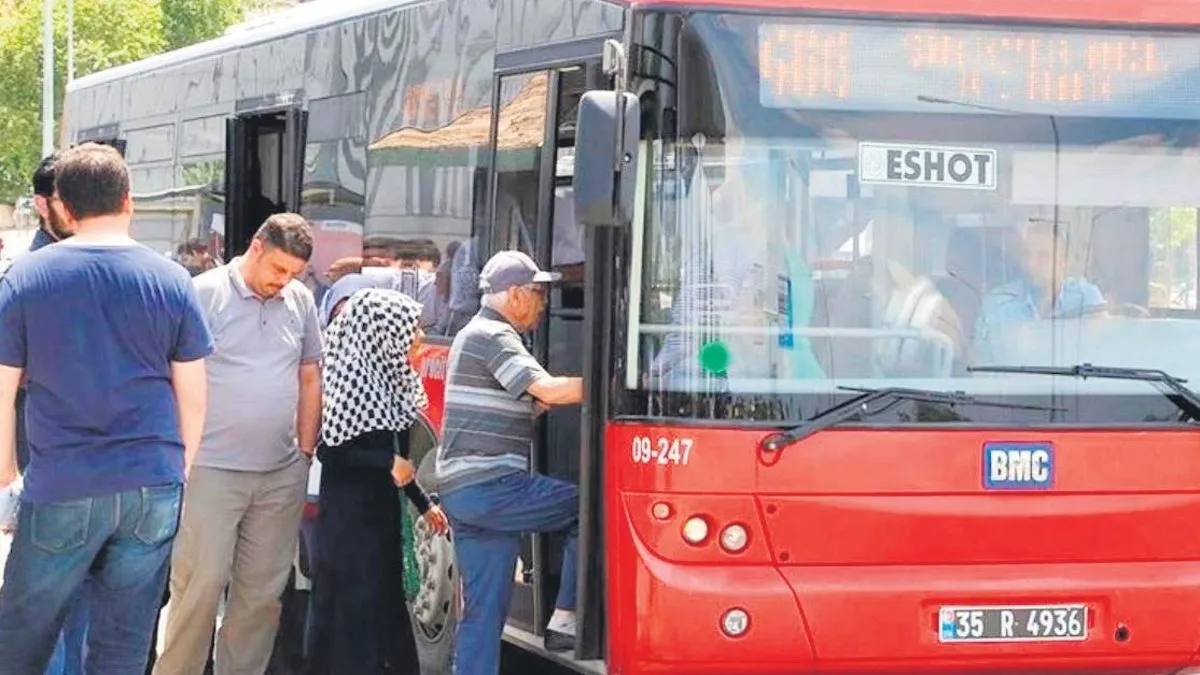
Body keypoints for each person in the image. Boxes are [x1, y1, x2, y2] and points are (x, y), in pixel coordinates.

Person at [0, 142, 212, 674]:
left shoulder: (25, 279)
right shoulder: (172, 279)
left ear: (64, 210)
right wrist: (179, 465)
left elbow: (2, 387)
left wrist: (6, 470)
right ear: (129, 201)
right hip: (153, 483)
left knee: (19, 642)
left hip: (64, 482)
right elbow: (193, 388)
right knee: (120, 649)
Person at [155, 214, 322, 675]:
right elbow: (171, 377)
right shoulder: (204, 293)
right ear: (255, 247)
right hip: (210, 468)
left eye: (293, 274)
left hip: (279, 473)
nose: (283, 281)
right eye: (278, 269)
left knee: (261, 597)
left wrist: (304, 454)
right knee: (198, 588)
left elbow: (310, 376)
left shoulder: (300, 300)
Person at [435, 250, 584, 674]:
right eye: (539, 294)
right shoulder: (493, 336)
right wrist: (615, 387)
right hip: (491, 486)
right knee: (589, 507)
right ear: (516, 294)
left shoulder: (476, 333)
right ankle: (565, 618)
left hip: (464, 494)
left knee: (481, 617)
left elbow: (531, 402)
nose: (543, 304)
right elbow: (550, 392)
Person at [306, 287, 449, 674]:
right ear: (380, 332)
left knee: (382, 620)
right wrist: (385, 461)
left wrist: (424, 503)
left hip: (378, 523)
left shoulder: (388, 382)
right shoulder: (348, 380)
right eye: (410, 329)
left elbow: (401, 464)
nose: (417, 339)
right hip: (349, 529)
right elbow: (333, 452)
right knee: (354, 629)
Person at [973, 218, 1106, 361]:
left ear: (1065, 261)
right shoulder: (998, 303)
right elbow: (980, 364)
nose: (1031, 264)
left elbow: (1097, 354)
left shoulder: (1086, 299)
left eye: (1043, 257)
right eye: (1026, 255)